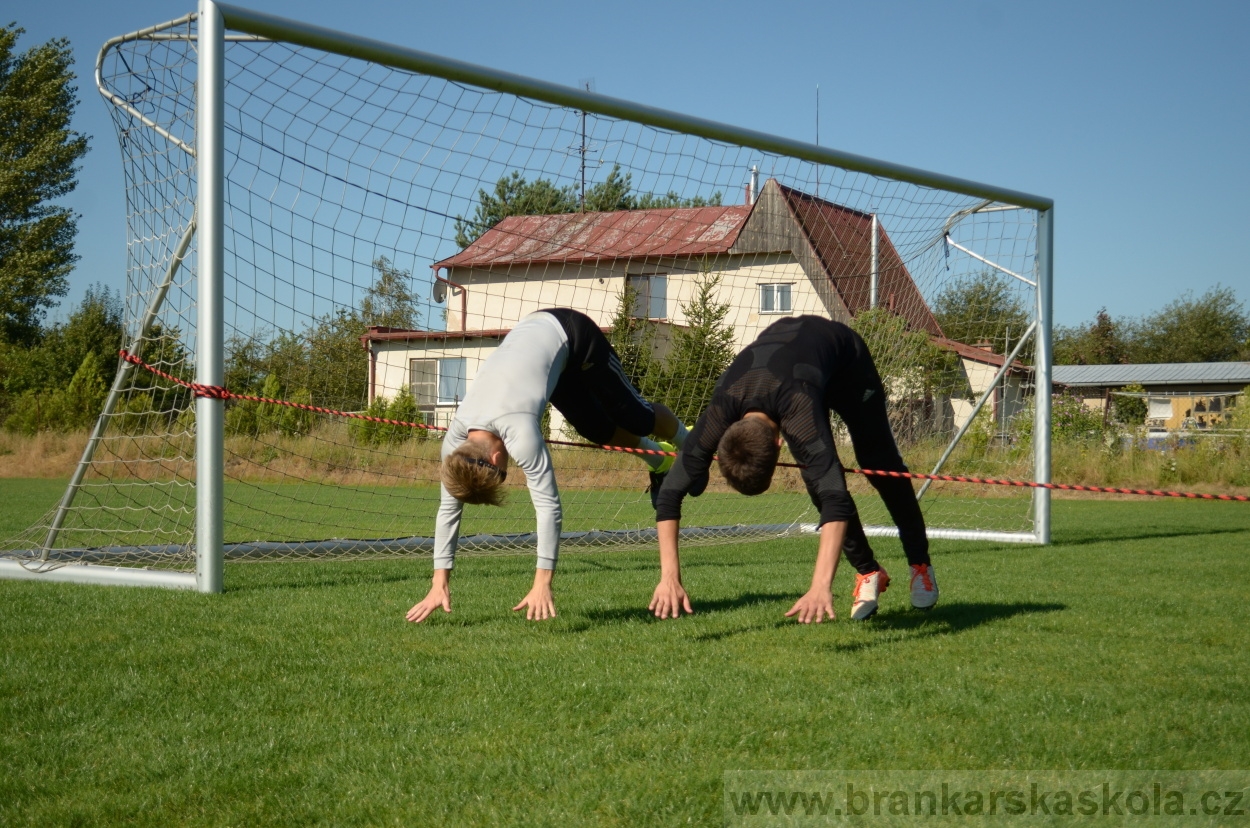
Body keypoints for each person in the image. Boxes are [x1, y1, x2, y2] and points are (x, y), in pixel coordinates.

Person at [406, 308, 688, 623]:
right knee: (595, 430)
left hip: (572, 334)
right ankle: (658, 459)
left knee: (634, 417)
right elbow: (448, 511)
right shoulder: (456, 444)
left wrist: (542, 583)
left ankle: (688, 443)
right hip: (541, 344)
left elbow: (548, 507)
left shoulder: (519, 431)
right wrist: (438, 582)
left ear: (497, 460)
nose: (507, 471)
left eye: (502, 477)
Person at [648, 315, 937, 623]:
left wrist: (820, 586)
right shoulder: (721, 409)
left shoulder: (796, 410)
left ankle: (920, 564)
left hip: (846, 365)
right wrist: (669, 577)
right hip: (794, 368)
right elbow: (669, 495)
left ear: (778, 445)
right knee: (818, 483)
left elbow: (836, 499)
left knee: (876, 463)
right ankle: (869, 572)